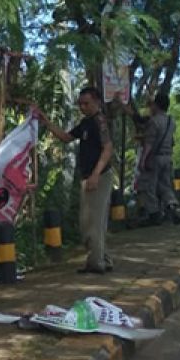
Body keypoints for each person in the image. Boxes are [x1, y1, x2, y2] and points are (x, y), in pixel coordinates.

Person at [35, 86, 114, 274]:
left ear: (96, 102)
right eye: (80, 104)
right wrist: (46, 122)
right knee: (87, 222)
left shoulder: (100, 121)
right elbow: (66, 137)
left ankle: (96, 263)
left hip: (99, 176)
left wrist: (96, 174)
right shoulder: (85, 123)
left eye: (86, 103)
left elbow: (108, 148)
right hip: (87, 176)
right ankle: (101, 257)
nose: (83, 107)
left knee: (93, 221)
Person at [119, 91, 180, 226]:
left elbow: (149, 144)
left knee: (148, 186)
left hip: (155, 158)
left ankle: (154, 213)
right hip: (167, 157)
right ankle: (171, 206)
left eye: (152, 104)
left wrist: (143, 160)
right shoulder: (171, 121)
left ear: (156, 105)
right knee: (165, 185)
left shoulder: (154, 121)